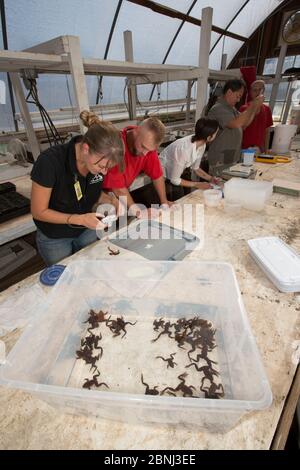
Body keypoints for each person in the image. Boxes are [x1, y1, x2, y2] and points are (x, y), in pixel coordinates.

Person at [30, 111, 124, 266]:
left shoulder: (98, 161)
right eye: (101, 166)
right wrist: (79, 219)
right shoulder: (50, 162)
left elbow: (92, 190)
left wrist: (112, 200)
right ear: (86, 148)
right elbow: (39, 212)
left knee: (89, 267)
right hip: (55, 237)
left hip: (87, 229)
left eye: (108, 168)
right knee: (64, 276)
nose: (104, 172)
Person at [102, 117, 172, 216]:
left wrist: (164, 203)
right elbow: (118, 188)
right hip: (102, 194)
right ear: (136, 131)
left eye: (149, 150)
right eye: (143, 147)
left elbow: (157, 175)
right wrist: (139, 212)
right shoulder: (116, 144)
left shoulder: (147, 145)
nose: (145, 153)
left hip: (122, 192)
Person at [207, 79, 264, 176]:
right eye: (238, 96)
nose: (238, 100)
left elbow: (245, 123)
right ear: (229, 92)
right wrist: (253, 104)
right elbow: (236, 123)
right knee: (219, 186)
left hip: (230, 157)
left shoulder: (231, 109)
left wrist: (255, 107)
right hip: (220, 160)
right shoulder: (218, 108)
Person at [159, 118, 220, 201]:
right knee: (177, 199)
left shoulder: (202, 144)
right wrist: (197, 184)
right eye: (216, 133)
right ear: (209, 137)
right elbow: (174, 180)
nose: (217, 135)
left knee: (185, 196)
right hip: (163, 174)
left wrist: (211, 179)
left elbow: (196, 168)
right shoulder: (184, 149)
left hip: (176, 172)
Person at [240, 80, 273, 152]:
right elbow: (241, 129)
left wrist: (266, 149)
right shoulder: (244, 108)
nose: (258, 93)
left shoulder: (267, 109)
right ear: (250, 92)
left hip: (260, 148)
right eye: (255, 90)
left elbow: (267, 131)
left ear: (263, 91)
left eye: (260, 90)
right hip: (245, 148)